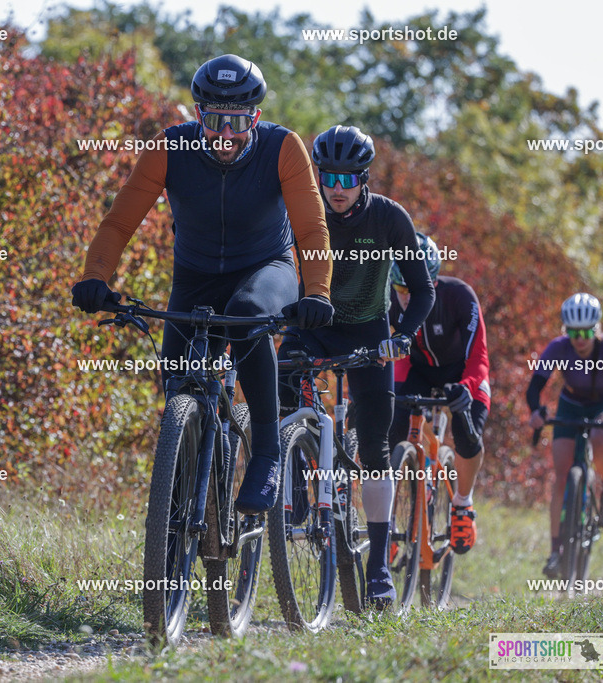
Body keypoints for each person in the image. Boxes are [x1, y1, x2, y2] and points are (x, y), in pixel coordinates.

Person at [70, 54, 333, 515]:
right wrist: (95, 278)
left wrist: (317, 293)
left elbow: (311, 230)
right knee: (179, 383)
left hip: (267, 268)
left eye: (238, 122)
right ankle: (176, 518)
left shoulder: (283, 148)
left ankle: (266, 455)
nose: (225, 134)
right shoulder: (170, 148)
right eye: (214, 121)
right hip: (195, 277)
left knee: (248, 315)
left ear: (255, 117)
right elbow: (119, 223)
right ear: (198, 115)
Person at [278, 125, 435, 609]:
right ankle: (299, 469)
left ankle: (379, 566)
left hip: (370, 332)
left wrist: (402, 337)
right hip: (315, 322)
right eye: (328, 177)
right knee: (281, 371)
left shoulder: (389, 217)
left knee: (374, 447)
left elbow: (422, 289)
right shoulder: (302, 208)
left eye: (348, 178)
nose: (337, 188)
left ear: (364, 178)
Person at [388, 233, 490, 555]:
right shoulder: (387, 299)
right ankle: (386, 518)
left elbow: (479, 358)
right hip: (418, 369)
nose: (406, 298)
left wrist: (467, 387)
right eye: (400, 289)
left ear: (432, 281)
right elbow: (388, 354)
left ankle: (462, 504)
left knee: (466, 431)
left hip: (462, 373)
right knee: (392, 422)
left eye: (414, 289)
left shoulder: (459, 296)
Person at [526, 293, 603, 578]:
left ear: (596, 329)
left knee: (602, 438)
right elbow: (535, 385)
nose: (579, 339)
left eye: (586, 332)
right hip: (571, 403)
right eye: (573, 332)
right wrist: (536, 411)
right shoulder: (558, 347)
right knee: (562, 472)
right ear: (565, 330)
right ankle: (556, 551)